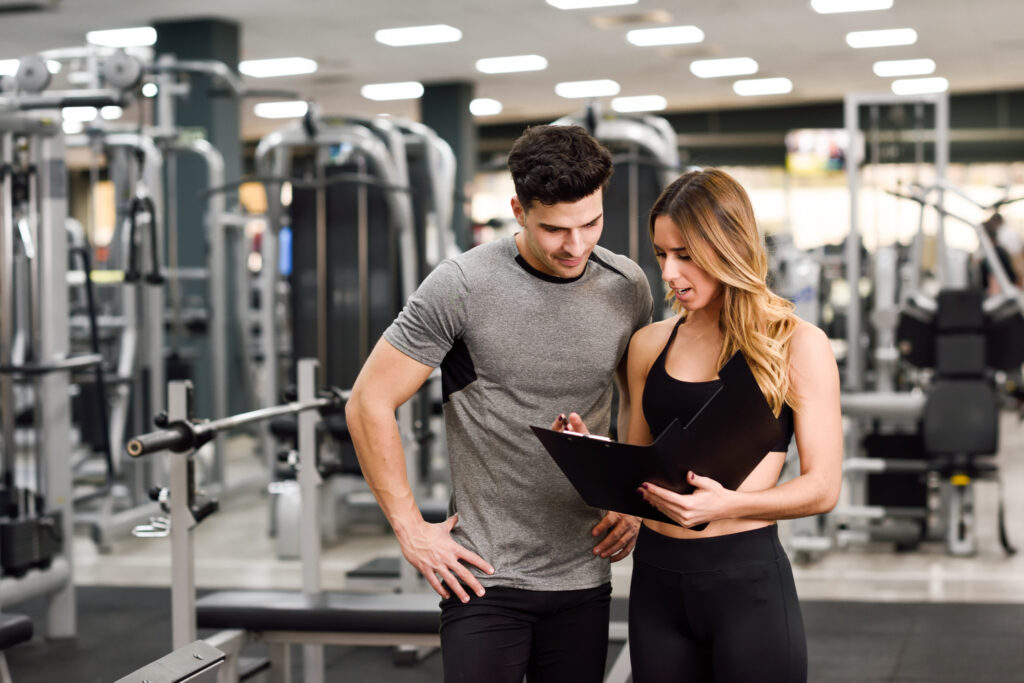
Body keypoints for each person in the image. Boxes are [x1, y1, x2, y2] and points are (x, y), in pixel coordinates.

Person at [345, 124, 654, 682]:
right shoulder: (461, 285)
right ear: (517, 209)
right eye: (555, 229)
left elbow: (638, 406)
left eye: (591, 223)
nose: (577, 245)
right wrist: (411, 528)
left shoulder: (626, 285)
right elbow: (368, 402)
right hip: (484, 576)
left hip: (585, 575)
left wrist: (628, 499)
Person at [622, 168, 842, 682]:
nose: (670, 273)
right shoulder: (648, 345)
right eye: (661, 255)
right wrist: (585, 452)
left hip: (746, 583)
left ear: (729, 246)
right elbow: (635, 472)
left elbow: (823, 488)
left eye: (686, 255)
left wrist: (728, 504)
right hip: (655, 583)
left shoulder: (796, 345)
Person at [978, 212, 1021, 296]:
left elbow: (993, 285)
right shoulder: (1002, 251)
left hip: (1002, 293)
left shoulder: (992, 256)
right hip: (1011, 289)